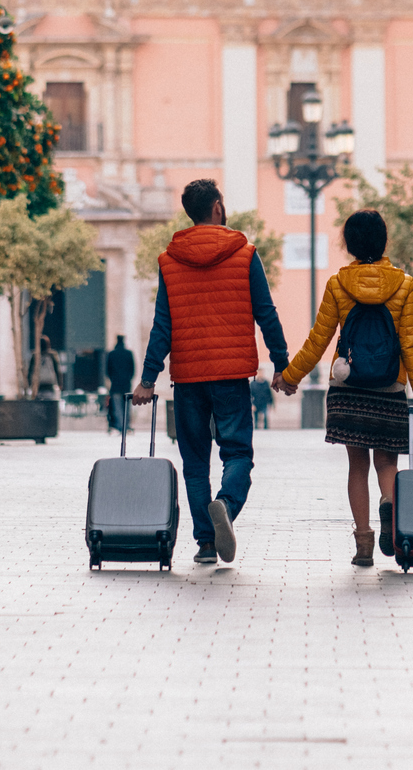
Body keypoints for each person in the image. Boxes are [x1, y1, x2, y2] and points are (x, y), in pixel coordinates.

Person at [131, 179, 289, 566]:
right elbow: (265, 313)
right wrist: (283, 364)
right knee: (238, 454)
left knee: (195, 461)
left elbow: (162, 326)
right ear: (217, 207)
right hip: (232, 374)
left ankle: (205, 542)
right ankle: (226, 505)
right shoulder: (245, 253)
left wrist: (148, 379)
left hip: (187, 376)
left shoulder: (170, 260)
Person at [272, 210, 413, 568]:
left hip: (348, 385)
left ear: (349, 244)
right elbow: (412, 344)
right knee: (387, 462)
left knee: (357, 466)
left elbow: (319, 339)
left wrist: (290, 375)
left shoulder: (338, 283)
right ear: (384, 240)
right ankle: (390, 505)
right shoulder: (405, 285)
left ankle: (363, 544)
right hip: (390, 384)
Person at [104, 335, 135, 434]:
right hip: (126, 385)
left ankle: (120, 426)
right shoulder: (129, 353)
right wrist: (128, 379)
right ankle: (126, 426)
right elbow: (133, 370)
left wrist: (113, 379)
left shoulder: (112, 354)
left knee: (117, 408)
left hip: (115, 385)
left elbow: (107, 371)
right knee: (127, 407)